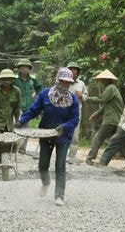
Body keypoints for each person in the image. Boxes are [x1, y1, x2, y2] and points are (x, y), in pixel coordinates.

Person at [15, 67, 79, 206]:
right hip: (46, 134)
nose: (65, 85)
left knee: (60, 165)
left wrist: (64, 126)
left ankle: (59, 196)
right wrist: (21, 121)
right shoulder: (45, 95)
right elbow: (33, 110)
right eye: (62, 81)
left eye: (68, 82)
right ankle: (46, 182)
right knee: (43, 165)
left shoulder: (73, 99)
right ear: (57, 80)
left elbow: (75, 119)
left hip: (63, 136)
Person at [85, 69, 123, 165]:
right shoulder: (112, 89)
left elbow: (101, 99)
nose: (100, 82)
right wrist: (96, 114)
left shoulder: (110, 88)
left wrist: (85, 98)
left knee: (98, 137)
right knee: (120, 142)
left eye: (101, 80)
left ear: (106, 80)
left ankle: (90, 158)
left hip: (111, 119)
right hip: (116, 119)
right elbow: (106, 105)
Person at [14, 58, 43, 153]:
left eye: (27, 67)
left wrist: (38, 99)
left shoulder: (33, 80)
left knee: (26, 128)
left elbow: (40, 89)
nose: (24, 69)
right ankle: (14, 147)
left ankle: (22, 149)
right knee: (16, 126)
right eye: (22, 67)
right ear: (19, 68)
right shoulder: (15, 79)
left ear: (29, 68)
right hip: (17, 107)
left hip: (29, 107)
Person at [0, 69, 22, 135]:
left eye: (8, 79)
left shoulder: (17, 91)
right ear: (0, 80)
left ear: (12, 79)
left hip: (9, 125)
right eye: (4, 79)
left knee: (11, 143)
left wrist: (17, 122)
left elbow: (17, 109)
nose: (6, 81)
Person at [66, 61, 88, 164]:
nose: (73, 71)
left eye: (75, 69)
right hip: (63, 110)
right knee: (63, 133)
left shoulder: (81, 84)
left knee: (74, 135)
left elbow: (86, 98)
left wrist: (81, 96)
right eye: (71, 69)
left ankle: (72, 157)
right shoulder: (63, 82)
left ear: (77, 72)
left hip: (75, 112)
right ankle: (61, 155)